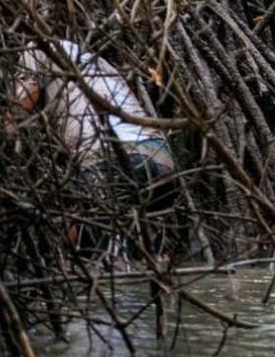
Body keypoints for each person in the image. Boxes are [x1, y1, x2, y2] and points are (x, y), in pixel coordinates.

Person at [15, 39, 177, 242]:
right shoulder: (99, 64)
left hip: (113, 159)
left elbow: (19, 108)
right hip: (162, 161)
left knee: (88, 247)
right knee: (133, 248)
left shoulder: (38, 48)